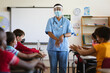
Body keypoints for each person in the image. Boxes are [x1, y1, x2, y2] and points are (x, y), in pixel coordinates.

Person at [45, 3, 74, 73]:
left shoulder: (67, 21)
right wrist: (57, 39)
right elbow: (49, 32)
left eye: (59, 9)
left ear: (62, 10)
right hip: (52, 47)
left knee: (63, 68)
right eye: (56, 9)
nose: (57, 11)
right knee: (53, 68)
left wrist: (63, 35)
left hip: (63, 48)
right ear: (53, 10)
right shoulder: (50, 20)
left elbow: (70, 33)